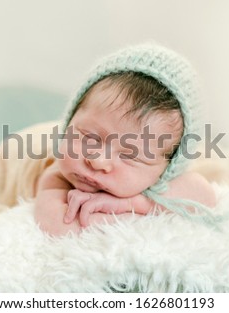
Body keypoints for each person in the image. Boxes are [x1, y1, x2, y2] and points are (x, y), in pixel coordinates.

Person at [34, 44, 217, 236]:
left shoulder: (166, 174)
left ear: (168, 168)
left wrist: (132, 203)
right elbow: (60, 227)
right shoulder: (57, 175)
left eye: (130, 155)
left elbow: (205, 196)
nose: (98, 161)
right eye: (90, 137)